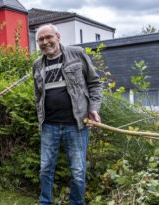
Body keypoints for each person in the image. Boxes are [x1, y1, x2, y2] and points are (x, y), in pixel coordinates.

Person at [33, 24, 103, 205]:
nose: (45, 42)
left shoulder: (77, 54)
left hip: (77, 125)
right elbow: (38, 94)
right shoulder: (37, 65)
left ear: (58, 36)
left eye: (48, 37)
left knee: (78, 172)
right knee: (45, 170)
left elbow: (94, 83)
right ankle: (45, 202)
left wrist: (94, 108)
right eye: (40, 39)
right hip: (49, 125)